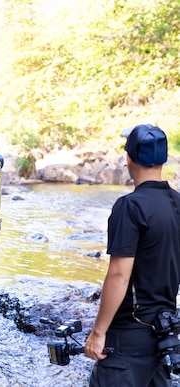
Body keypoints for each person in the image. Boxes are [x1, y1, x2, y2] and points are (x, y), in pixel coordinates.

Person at [84, 124, 180, 386]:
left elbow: (118, 276)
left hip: (129, 335)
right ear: (163, 159)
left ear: (129, 158)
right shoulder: (177, 202)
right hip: (165, 333)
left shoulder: (130, 206)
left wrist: (98, 332)